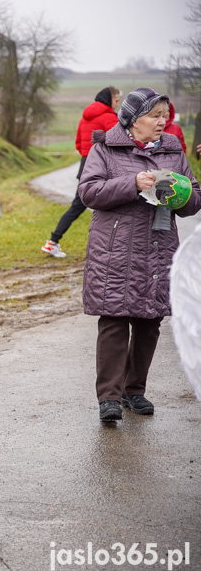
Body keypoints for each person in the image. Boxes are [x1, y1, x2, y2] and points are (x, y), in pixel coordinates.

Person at [77, 87, 201, 422]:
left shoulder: (174, 152)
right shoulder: (105, 148)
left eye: (165, 115)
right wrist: (132, 183)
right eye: (155, 116)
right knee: (114, 320)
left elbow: (194, 200)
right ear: (133, 120)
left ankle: (135, 391)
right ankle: (109, 398)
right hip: (115, 250)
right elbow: (88, 192)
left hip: (158, 249)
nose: (163, 122)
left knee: (149, 321)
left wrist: (180, 192)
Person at [42, 86, 120, 258]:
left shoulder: (85, 117)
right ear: (109, 100)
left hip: (86, 164)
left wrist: (87, 157)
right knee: (113, 207)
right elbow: (119, 144)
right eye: (116, 100)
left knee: (78, 206)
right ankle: (110, 249)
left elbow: (78, 143)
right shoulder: (109, 118)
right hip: (105, 166)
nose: (117, 104)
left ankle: (53, 241)